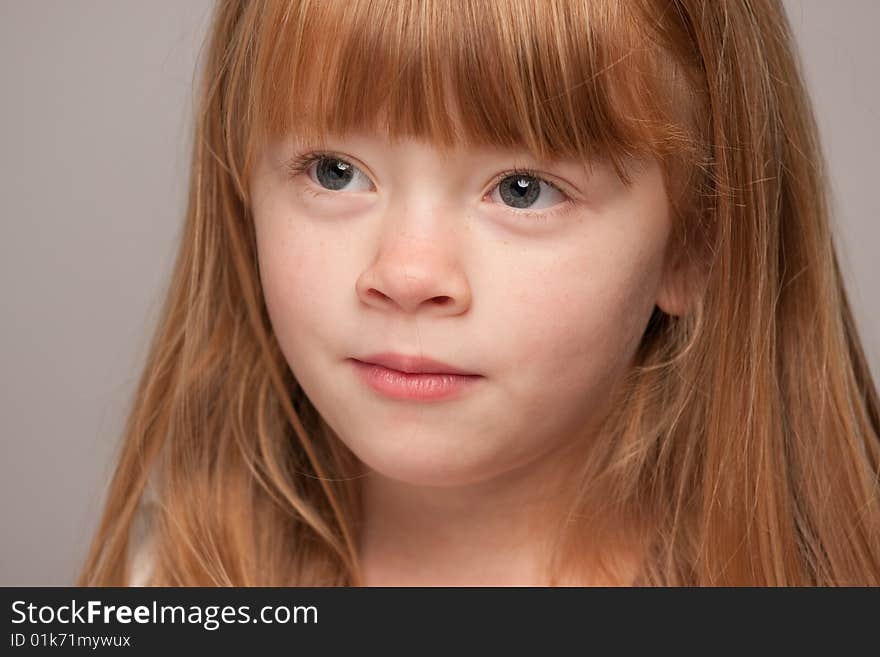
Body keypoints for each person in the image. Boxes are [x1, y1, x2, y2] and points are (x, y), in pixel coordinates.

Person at [78, 0, 880, 586]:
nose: (407, 274)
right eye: (335, 171)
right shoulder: (172, 583)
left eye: (524, 189)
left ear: (697, 240)